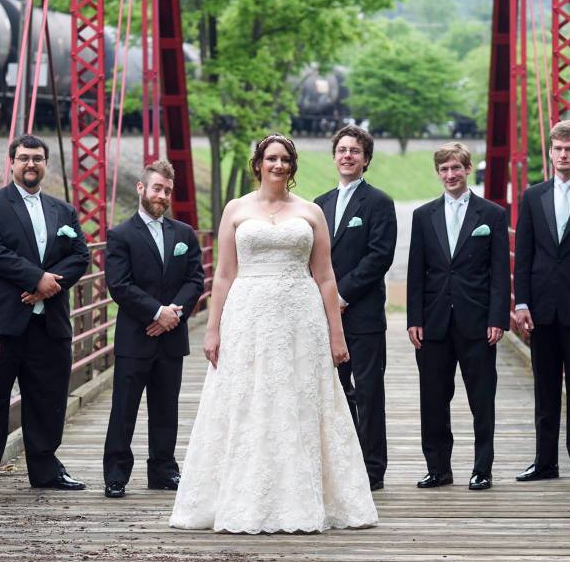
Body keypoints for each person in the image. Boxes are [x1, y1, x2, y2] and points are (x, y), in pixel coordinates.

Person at [169, 133, 378, 533]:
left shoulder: (311, 212)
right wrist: (212, 329)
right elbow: (224, 275)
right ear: (258, 164)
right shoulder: (236, 209)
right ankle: (243, 497)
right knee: (248, 398)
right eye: (271, 158)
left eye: (285, 159)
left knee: (299, 399)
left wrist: (336, 334)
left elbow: (326, 276)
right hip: (247, 316)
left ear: (292, 166)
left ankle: (302, 498)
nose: (278, 165)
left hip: (300, 319)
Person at [0, 134, 91, 507]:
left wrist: (48, 287)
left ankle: (45, 469)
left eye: (37, 158)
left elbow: (80, 255)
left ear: (45, 164)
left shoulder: (63, 210)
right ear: (11, 163)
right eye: (24, 157)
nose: (30, 164)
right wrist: (35, 278)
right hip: (6, 323)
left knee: (48, 399)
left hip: (49, 322)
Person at [406, 142, 509, 491]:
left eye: (456, 168)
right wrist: (414, 318)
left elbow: (500, 272)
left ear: (467, 169)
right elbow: (416, 271)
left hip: (477, 320)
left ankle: (482, 468)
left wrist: (497, 318)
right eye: (444, 169)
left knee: (482, 397)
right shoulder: (423, 215)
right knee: (433, 398)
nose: (450, 175)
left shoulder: (492, 215)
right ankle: (438, 468)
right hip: (433, 320)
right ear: (438, 173)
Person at [101, 160, 205, 499]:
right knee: (124, 409)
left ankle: (163, 470)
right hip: (136, 336)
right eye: (157, 188)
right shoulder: (120, 235)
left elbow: (195, 280)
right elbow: (119, 284)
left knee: (166, 408)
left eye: (167, 191)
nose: (162, 196)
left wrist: (173, 314)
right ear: (141, 188)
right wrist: (158, 312)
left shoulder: (184, 234)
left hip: (171, 336)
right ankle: (116, 474)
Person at [513, 120, 570, 484]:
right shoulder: (533, 196)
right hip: (542, 308)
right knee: (545, 388)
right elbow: (524, 253)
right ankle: (544, 462)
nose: (563, 155)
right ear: (550, 152)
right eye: (557, 149)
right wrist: (522, 302)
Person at [314, 126, 397, 491]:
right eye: (342, 150)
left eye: (355, 151)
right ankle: (340, 464)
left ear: (366, 159)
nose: (347, 156)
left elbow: (379, 256)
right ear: (335, 156)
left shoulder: (379, 202)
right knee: (332, 391)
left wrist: (342, 296)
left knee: (368, 392)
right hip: (323, 316)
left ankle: (372, 469)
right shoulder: (319, 204)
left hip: (362, 315)